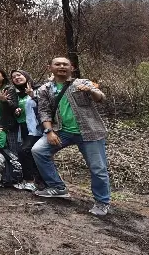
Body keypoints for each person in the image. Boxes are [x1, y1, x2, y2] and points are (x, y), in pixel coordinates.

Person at [31, 57, 111, 216]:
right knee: (39, 150)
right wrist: (49, 132)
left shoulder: (82, 83)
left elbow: (101, 98)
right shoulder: (44, 89)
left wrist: (91, 91)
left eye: (65, 64)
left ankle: (102, 202)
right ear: (50, 67)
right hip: (62, 131)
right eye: (57, 64)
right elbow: (44, 112)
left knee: (98, 168)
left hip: (89, 131)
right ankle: (58, 187)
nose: (61, 66)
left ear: (72, 68)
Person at [10, 69, 41, 191]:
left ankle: (30, 180)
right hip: (22, 127)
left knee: (25, 151)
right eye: (13, 77)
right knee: (26, 153)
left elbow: (46, 105)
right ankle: (32, 179)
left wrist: (33, 95)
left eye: (19, 75)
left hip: (36, 127)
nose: (17, 78)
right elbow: (16, 110)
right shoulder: (16, 94)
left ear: (26, 76)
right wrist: (15, 111)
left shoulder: (38, 89)